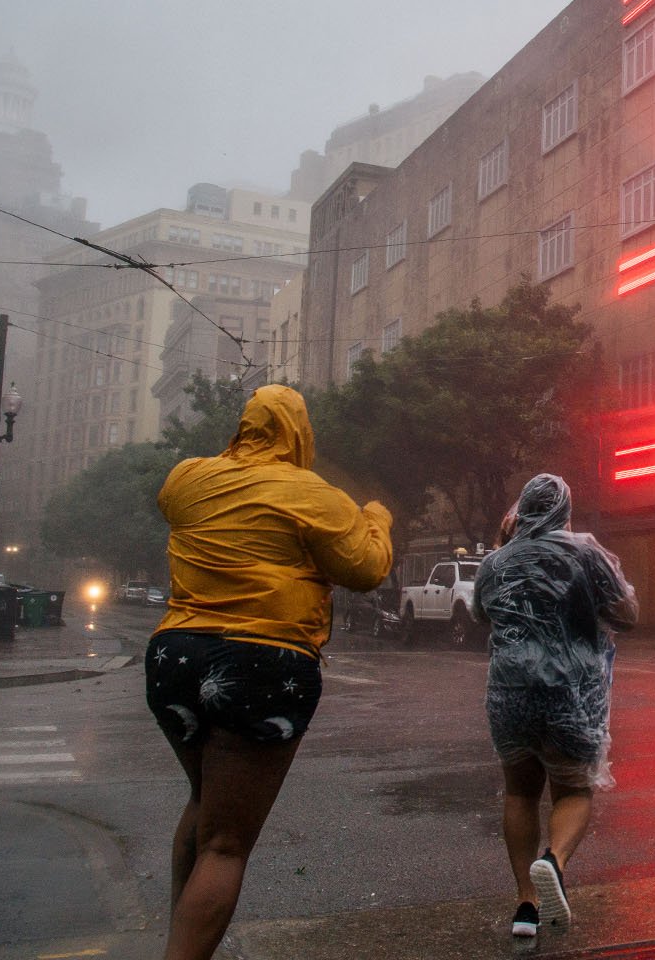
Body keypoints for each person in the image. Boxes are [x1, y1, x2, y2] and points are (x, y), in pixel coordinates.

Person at [146, 385, 394, 960]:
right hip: (261, 664)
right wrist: (375, 517)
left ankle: (180, 934)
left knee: (204, 802)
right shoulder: (313, 495)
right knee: (227, 845)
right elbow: (366, 569)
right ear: (300, 433)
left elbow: (182, 509)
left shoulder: (185, 478)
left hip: (174, 656)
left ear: (245, 426)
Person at [475, 473, 638, 939]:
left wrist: (503, 544)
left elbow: (481, 613)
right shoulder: (585, 553)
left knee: (520, 792)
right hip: (570, 694)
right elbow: (627, 616)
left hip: (510, 695)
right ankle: (555, 861)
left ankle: (526, 905)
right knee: (572, 790)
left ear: (520, 513)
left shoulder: (497, 561)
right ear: (564, 513)